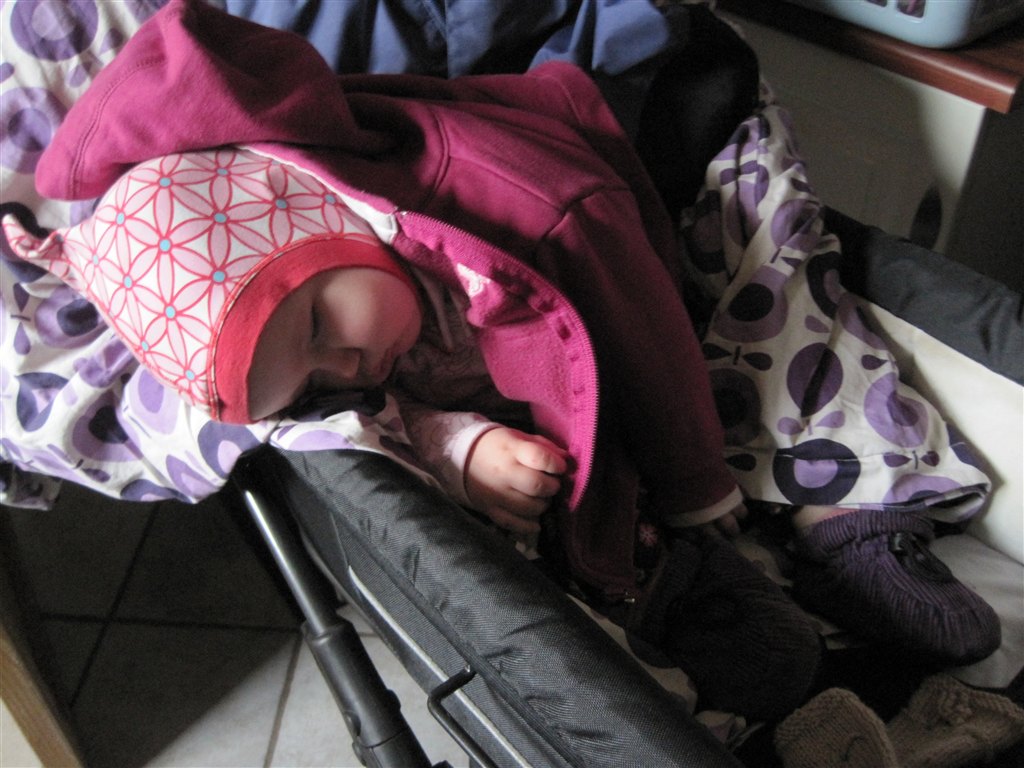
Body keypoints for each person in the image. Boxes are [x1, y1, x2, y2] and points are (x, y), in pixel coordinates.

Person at [1, 0, 999, 723]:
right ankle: (680, 594)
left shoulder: (528, 212)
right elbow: (374, 407)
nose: (351, 365)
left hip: (622, 184)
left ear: (317, 221)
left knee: (767, 282)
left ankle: (850, 508)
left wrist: (697, 485)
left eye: (319, 329)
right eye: (317, 377)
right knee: (538, 498)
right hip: (456, 189)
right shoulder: (339, 308)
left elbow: (637, 328)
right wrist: (461, 444)